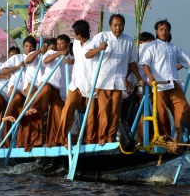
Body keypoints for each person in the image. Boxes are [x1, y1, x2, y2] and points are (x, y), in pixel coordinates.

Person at [85, 14, 145, 145]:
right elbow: (87, 54)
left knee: (115, 112)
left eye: (120, 25)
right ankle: (102, 137)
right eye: (115, 25)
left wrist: (139, 78)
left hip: (118, 82)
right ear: (110, 25)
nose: (118, 28)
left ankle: (110, 137)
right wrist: (99, 48)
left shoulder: (128, 41)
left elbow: (132, 62)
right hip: (103, 81)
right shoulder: (101, 36)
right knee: (104, 112)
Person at [138, 19, 190, 142]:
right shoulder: (150, 46)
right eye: (161, 29)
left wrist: (175, 69)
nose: (164, 32)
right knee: (161, 114)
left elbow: (186, 61)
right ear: (156, 31)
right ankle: (165, 140)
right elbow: (145, 64)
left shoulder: (174, 47)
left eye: (166, 30)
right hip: (159, 86)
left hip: (173, 83)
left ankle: (181, 136)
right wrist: (151, 78)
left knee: (184, 108)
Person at [24, 35, 71, 149]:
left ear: (68, 45)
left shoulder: (70, 58)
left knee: (58, 114)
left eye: (62, 44)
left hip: (60, 91)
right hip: (48, 83)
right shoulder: (52, 53)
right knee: (42, 97)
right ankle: (32, 108)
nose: (59, 46)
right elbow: (45, 60)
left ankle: (54, 141)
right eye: (58, 44)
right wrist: (59, 53)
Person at [56, 20, 98, 147]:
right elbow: (80, 60)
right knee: (67, 109)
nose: (73, 34)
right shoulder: (75, 45)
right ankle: (63, 138)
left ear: (80, 33)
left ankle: (90, 140)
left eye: (74, 32)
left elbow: (90, 59)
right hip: (76, 83)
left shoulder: (94, 44)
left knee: (91, 114)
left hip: (90, 85)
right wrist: (71, 61)